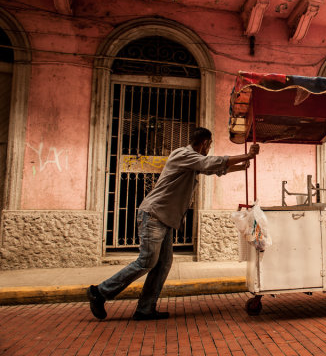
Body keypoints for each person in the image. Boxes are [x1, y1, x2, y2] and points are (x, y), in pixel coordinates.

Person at [87, 127, 259, 320]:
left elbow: (213, 168)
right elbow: (209, 163)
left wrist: (241, 165)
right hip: (154, 215)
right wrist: (246, 155)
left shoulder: (192, 161)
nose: (209, 149)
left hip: (164, 218)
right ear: (204, 143)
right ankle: (100, 292)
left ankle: (145, 309)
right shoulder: (183, 154)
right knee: (147, 262)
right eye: (209, 145)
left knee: (163, 265)